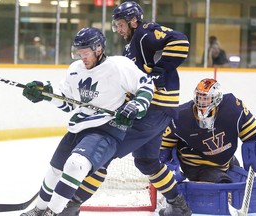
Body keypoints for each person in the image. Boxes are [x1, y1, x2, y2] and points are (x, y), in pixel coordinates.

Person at [58, 1, 191, 216]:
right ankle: (179, 205)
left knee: (103, 153)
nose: (119, 30)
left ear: (133, 20)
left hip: (153, 109)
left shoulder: (145, 33)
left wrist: (159, 71)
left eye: (121, 25)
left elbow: (180, 41)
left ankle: (70, 206)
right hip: (156, 112)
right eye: (116, 25)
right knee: (147, 162)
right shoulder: (130, 47)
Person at [20, 27, 154, 216]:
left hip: (106, 129)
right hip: (78, 127)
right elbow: (68, 104)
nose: (82, 57)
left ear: (99, 49)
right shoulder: (75, 70)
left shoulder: (118, 66)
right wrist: (46, 94)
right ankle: (39, 209)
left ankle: (53, 212)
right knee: (55, 169)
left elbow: (146, 85)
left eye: (86, 53)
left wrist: (136, 105)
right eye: (79, 52)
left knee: (76, 164)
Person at [160, 78, 256, 183]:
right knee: (223, 186)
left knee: (243, 184)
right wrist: (168, 167)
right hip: (196, 165)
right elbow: (163, 148)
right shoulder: (180, 117)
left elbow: (253, 137)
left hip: (225, 161)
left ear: (217, 98)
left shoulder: (232, 109)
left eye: (206, 98)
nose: (201, 102)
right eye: (199, 97)